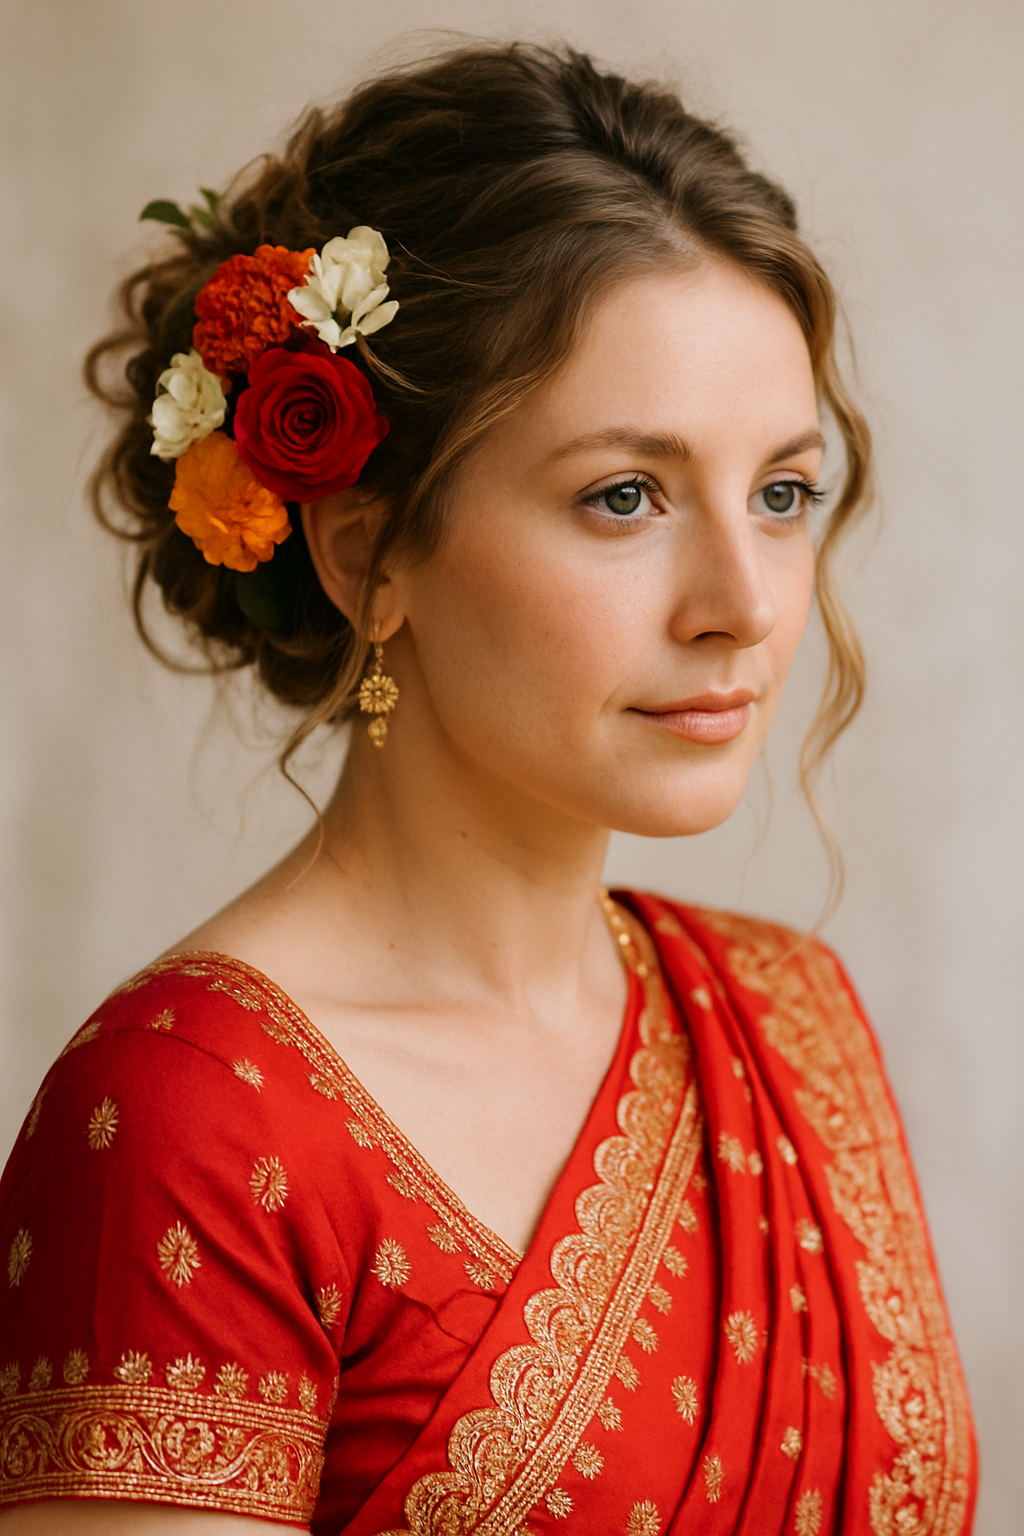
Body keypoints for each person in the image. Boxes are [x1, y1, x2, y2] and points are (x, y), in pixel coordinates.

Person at [0, 41, 976, 1536]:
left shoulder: (793, 1020)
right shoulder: (190, 1124)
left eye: (782, 493)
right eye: (626, 496)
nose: (745, 604)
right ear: (366, 554)